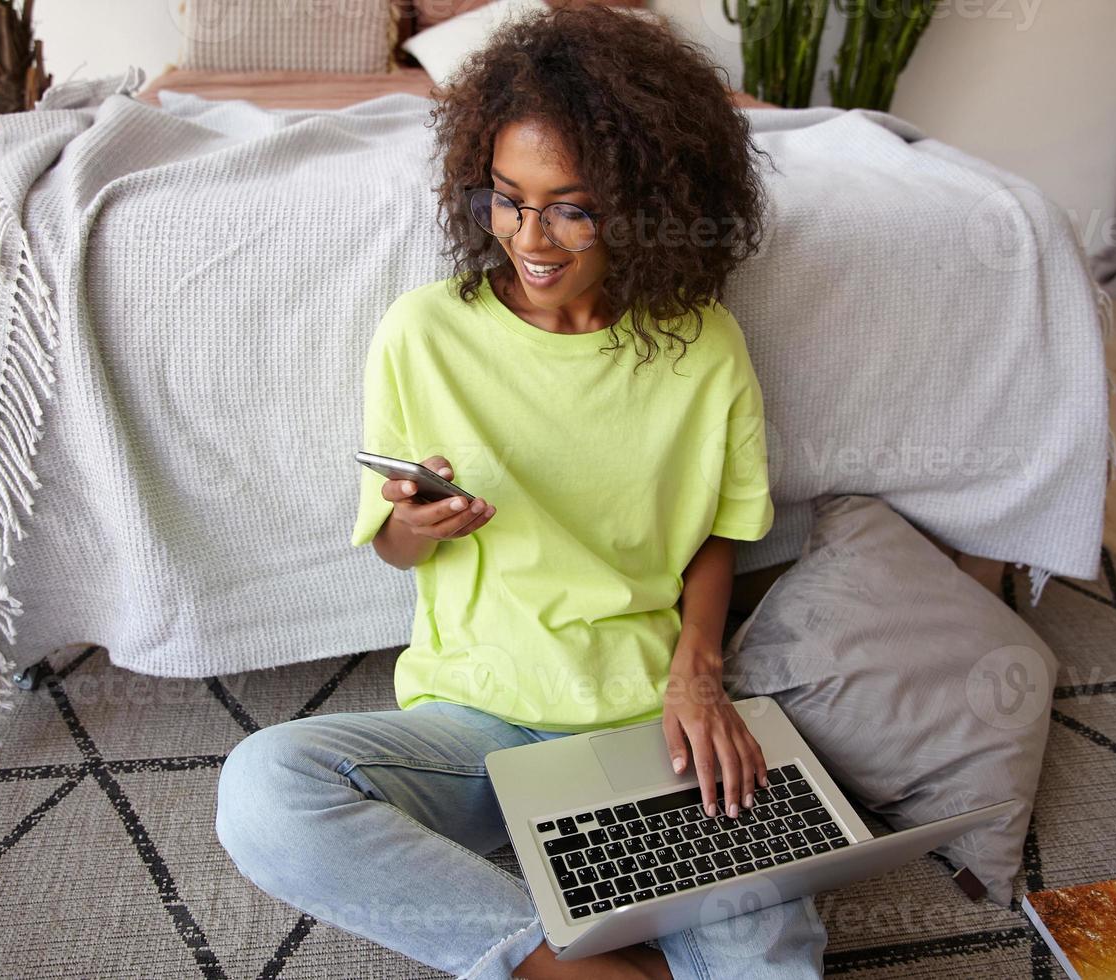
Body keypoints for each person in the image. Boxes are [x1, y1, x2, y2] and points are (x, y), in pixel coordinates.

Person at [215, 6, 826, 978]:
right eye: (506, 199)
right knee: (264, 791)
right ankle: (569, 968)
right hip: (475, 718)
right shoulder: (422, 334)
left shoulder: (704, 344)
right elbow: (393, 548)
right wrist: (416, 524)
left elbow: (720, 531)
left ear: (643, 201)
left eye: (570, 206)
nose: (529, 238)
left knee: (772, 941)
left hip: (644, 719)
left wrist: (697, 669)